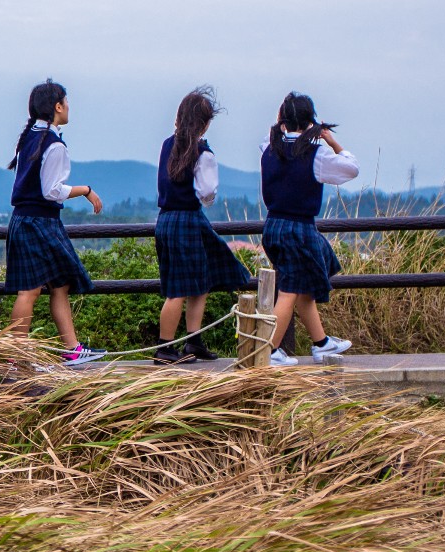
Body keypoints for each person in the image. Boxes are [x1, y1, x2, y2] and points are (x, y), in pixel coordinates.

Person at [5, 80, 105, 363]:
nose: (69, 106)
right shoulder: (54, 143)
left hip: (26, 220)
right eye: (66, 101)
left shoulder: (31, 136)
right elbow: (51, 190)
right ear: (57, 107)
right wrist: (85, 190)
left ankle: (71, 349)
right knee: (31, 290)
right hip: (39, 221)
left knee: (59, 284)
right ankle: (15, 355)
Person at [152, 87, 254, 364]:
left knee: (199, 283)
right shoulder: (202, 152)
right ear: (205, 123)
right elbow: (207, 193)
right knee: (179, 289)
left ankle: (192, 342)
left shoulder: (167, 144)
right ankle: (165, 348)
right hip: (188, 218)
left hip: (166, 219)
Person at [259, 92, 360, 364]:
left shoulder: (268, 148)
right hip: (298, 229)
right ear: (310, 122)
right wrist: (330, 139)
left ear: (282, 120)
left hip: (273, 227)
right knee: (291, 288)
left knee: (300, 285)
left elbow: (276, 134)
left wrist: (286, 123)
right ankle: (269, 351)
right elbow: (351, 169)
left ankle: (321, 342)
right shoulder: (317, 155)